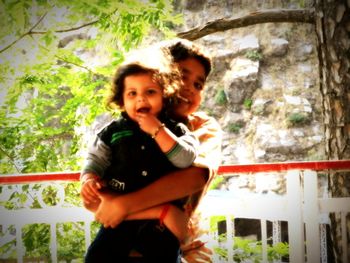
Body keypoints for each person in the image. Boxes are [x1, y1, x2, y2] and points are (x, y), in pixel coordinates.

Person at [81, 38, 222, 262]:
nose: (188, 88)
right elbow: (98, 203)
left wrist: (123, 205)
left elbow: (193, 178)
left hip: (181, 246)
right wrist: (163, 211)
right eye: (183, 76)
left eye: (198, 84)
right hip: (122, 242)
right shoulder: (123, 129)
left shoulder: (200, 127)